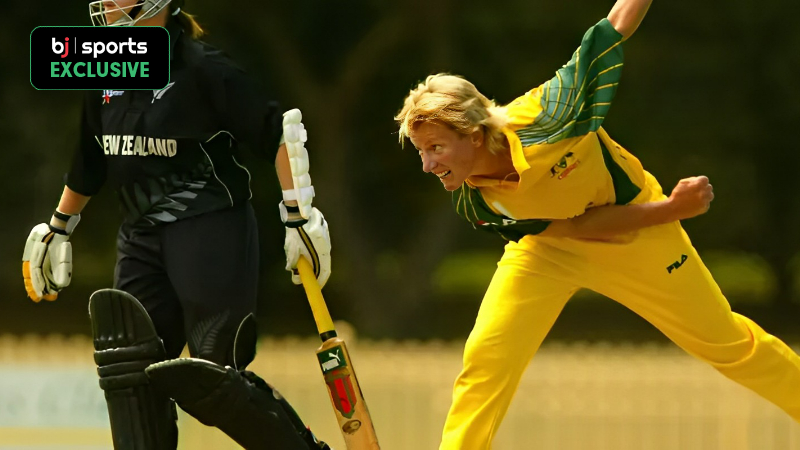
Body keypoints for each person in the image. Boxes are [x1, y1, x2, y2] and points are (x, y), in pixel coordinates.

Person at [395, 0, 800, 448]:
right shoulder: (476, 202)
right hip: (548, 249)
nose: (428, 165)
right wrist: (676, 208)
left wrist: (669, 210)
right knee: (487, 359)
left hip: (640, 236)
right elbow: (574, 230)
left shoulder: (548, 115)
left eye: (435, 148)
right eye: (421, 151)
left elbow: (612, 27)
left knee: (728, 345)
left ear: (472, 135)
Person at [21, 1, 332, 449]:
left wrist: (299, 216)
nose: (106, 5)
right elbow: (91, 159)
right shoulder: (105, 70)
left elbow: (278, 131)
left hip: (208, 226)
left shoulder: (203, 68)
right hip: (140, 233)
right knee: (129, 377)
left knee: (211, 379)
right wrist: (58, 227)